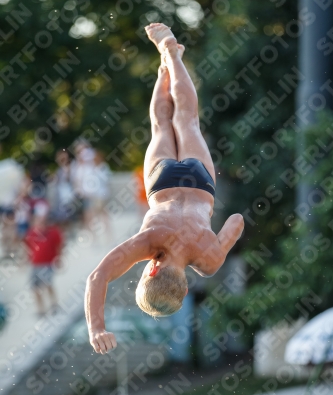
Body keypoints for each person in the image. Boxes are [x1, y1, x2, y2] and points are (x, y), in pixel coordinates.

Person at [85, 23, 244, 354]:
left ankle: (171, 58)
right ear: (151, 271)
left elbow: (238, 222)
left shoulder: (209, 260)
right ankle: (166, 61)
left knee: (188, 119)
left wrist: (218, 244)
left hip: (200, 183)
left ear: (184, 289)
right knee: (161, 124)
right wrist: (96, 328)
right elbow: (97, 277)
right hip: (162, 182)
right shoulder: (147, 243)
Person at [25, 204, 63, 316]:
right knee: (35, 287)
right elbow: (29, 247)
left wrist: (59, 258)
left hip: (47, 263)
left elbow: (59, 245)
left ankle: (54, 305)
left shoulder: (52, 232)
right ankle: (41, 309)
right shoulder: (31, 233)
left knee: (47, 284)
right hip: (36, 264)